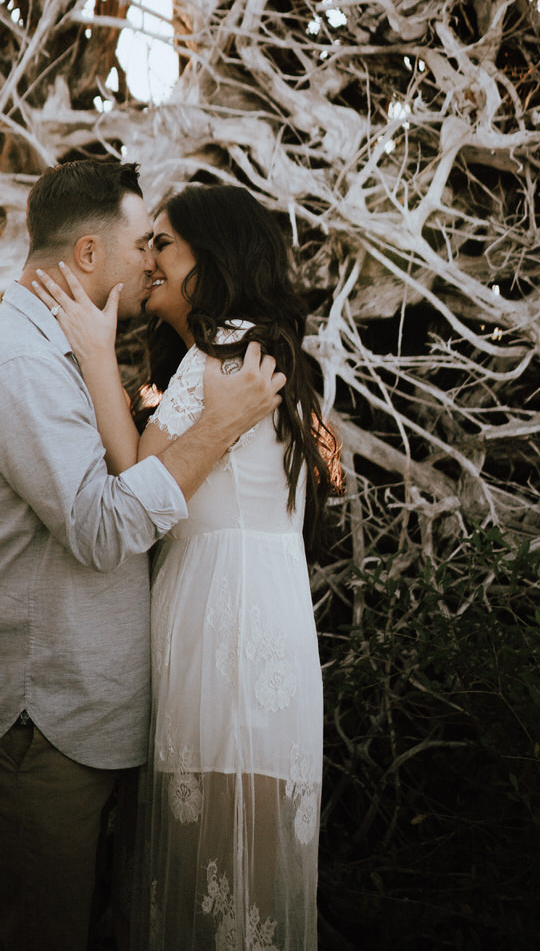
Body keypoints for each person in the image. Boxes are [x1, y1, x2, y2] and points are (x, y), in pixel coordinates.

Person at [0, 159, 286, 951]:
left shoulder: (54, 351)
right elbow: (99, 529)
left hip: (84, 708)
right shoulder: (21, 366)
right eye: (138, 244)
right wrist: (215, 428)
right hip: (39, 711)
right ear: (88, 253)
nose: (148, 262)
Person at [31, 183, 338, 951]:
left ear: (213, 254)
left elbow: (139, 475)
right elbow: (322, 475)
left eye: (162, 242)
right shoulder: (261, 353)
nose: (148, 259)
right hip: (266, 610)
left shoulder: (221, 356)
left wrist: (95, 354)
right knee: (245, 855)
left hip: (222, 620)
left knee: (216, 859)